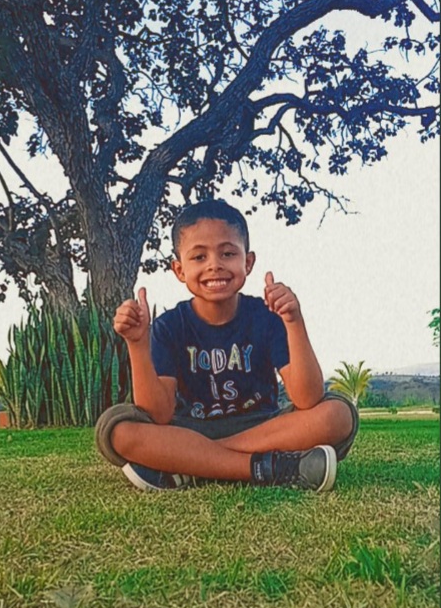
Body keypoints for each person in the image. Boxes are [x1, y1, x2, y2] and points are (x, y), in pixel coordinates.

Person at [95, 200, 358, 491]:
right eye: (199, 257)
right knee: (116, 429)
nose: (214, 265)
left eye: (228, 253)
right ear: (179, 270)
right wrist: (137, 344)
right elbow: (157, 414)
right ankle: (273, 467)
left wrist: (294, 321)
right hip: (190, 428)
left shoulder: (266, 317)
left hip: (263, 428)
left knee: (338, 414)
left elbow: (308, 398)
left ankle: (191, 464)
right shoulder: (169, 326)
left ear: (248, 262)